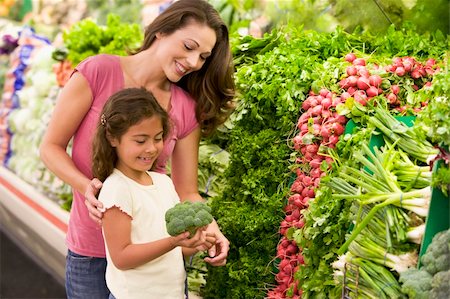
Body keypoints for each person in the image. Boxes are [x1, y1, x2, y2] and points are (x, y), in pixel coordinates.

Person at [39, 0, 235, 297]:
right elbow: (51, 147)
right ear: (161, 31)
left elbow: (187, 190)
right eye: (189, 46)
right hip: (90, 253)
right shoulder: (98, 72)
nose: (194, 62)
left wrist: (209, 224)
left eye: (203, 57)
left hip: (154, 259)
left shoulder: (185, 108)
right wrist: (85, 186)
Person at [92, 87, 215, 299]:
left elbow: (172, 253)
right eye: (140, 141)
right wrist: (173, 242)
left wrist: (195, 243)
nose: (151, 148)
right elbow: (121, 257)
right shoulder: (116, 188)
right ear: (112, 138)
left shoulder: (163, 182)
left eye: (158, 138)